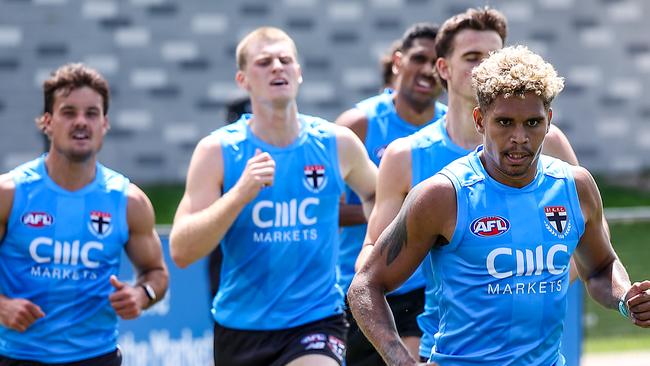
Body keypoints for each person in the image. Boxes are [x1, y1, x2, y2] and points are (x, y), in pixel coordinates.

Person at [349, 45, 650, 365]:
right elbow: (365, 286)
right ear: (480, 120)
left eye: (532, 123)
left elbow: (601, 268)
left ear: (548, 120)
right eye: (505, 122)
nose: (519, 137)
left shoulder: (574, 187)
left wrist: (624, 298)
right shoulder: (443, 195)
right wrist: (401, 361)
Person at [355, 7, 584, 361]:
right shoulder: (406, 155)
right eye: (472, 57)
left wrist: (521, 287)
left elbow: (581, 237)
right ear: (443, 68)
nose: (485, 67)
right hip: (431, 325)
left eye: (494, 56)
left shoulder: (550, 143)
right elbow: (373, 255)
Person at [169, 27, 377, 366]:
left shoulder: (336, 143)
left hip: (317, 319)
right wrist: (239, 194)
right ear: (243, 79)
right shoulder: (216, 151)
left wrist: (370, 247)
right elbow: (181, 250)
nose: (277, 67)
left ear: (299, 73)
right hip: (240, 328)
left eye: (285, 60)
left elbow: (382, 195)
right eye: (264, 62)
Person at [0, 63, 169, 365]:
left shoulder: (129, 201)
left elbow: (156, 273)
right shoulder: (10, 194)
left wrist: (142, 295)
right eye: (69, 112)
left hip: (97, 357)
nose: (81, 122)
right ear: (47, 122)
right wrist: (2, 306)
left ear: (105, 123)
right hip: (17, 357)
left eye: (91, 113)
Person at [335, 23, 446, 364]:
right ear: (398, 61)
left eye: (436, 61)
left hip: (424, 291)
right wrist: (399, 210)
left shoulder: (452, 130)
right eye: (419, 58)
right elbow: (325, 204)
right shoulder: (359, 123)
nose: (427, 70)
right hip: (359, 282)